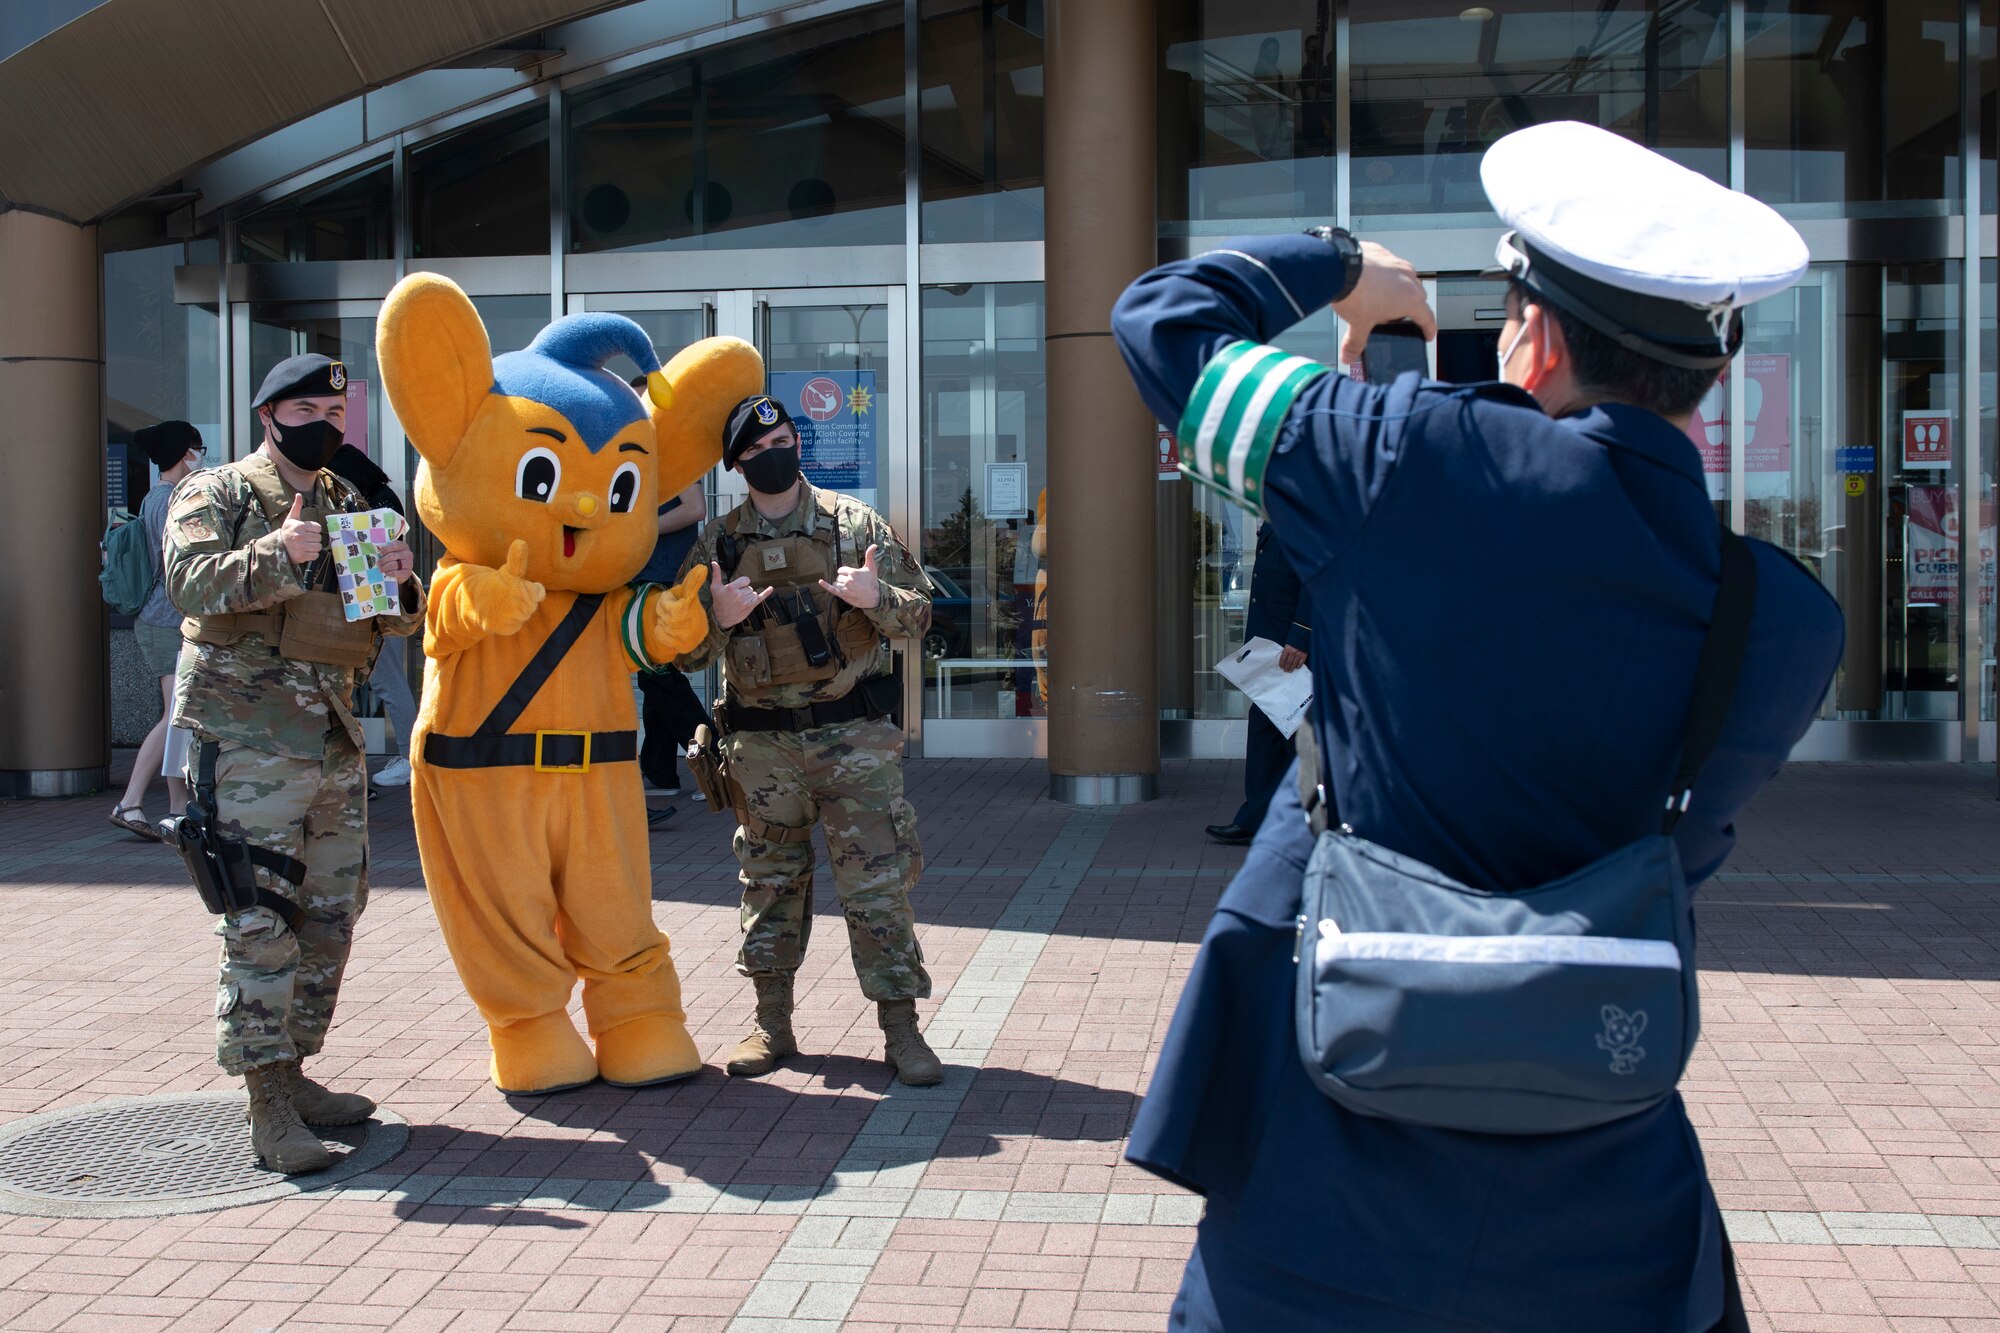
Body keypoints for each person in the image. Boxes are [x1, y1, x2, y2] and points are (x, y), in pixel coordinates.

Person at [1110, 121, 1844, 1331]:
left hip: (1322, 1162)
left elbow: (1162, 319)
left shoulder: (1398, 456)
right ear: (1710, 368)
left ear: (1535, 332)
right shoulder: (1780, 618)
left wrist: (1343, 267)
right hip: (1605, 1196)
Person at [164, 353, 426, 1175]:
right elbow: (188, 583)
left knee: (331, 911)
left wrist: (400, 586)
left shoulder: (348, 499)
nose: (325, 423)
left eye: (336, 414)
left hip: (332, 740)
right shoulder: (219, 493)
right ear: (269, 415)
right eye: (308, 408)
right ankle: (267, 1105)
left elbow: (383, 623)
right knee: (259, 915)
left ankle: (297, 1068)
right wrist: (278, 552)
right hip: (249, 740)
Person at [674, 394, 942, 1085]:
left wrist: (872, 599)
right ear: (737, 464)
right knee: (768, 884)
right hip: (762, 752)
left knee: (877, 886)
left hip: (853, 740)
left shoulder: (853, 526)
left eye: (785, 441)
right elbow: (680, 656)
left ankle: (901, 1030)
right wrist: (718, 619)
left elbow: (919, 620)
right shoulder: (717, 544)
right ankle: (771, 1023)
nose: (776, 456)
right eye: (759, 451)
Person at [108, 421, 202, 842]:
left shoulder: (156, 497)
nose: (202, 456)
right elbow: (176, 565)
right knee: (173, 717)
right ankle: (131, 802)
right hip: (167, 621)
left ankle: (177, 807)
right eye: (198, 449)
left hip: (160, 620)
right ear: (185, 453)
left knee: (177, 716)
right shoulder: (168, 501)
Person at [629, 373, 710, 806]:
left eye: (645, 402)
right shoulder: (636, 454)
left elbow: (694, 508)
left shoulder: (671, 452)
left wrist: (637, 529)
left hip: (663, 578)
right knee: (656, 675)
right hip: (645, 576)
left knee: (659, 675)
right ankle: (659, 772)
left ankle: (716, 759)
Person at [1206, 520, 1311, 845]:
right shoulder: (1278, 516)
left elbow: (1315, 579)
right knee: (1266, 730)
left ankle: (1301, 824)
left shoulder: (1306, 514)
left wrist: (1302, 634)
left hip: (1292, 648)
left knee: (1297, 736)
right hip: (1272, 645)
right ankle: (1257, 819)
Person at [325, 443, 419, 789]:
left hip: (372, 604)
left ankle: (410, 757)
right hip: (384, 603)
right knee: (386, 682)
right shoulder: (387, 499)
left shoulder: (365, 507)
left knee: (386, 682)